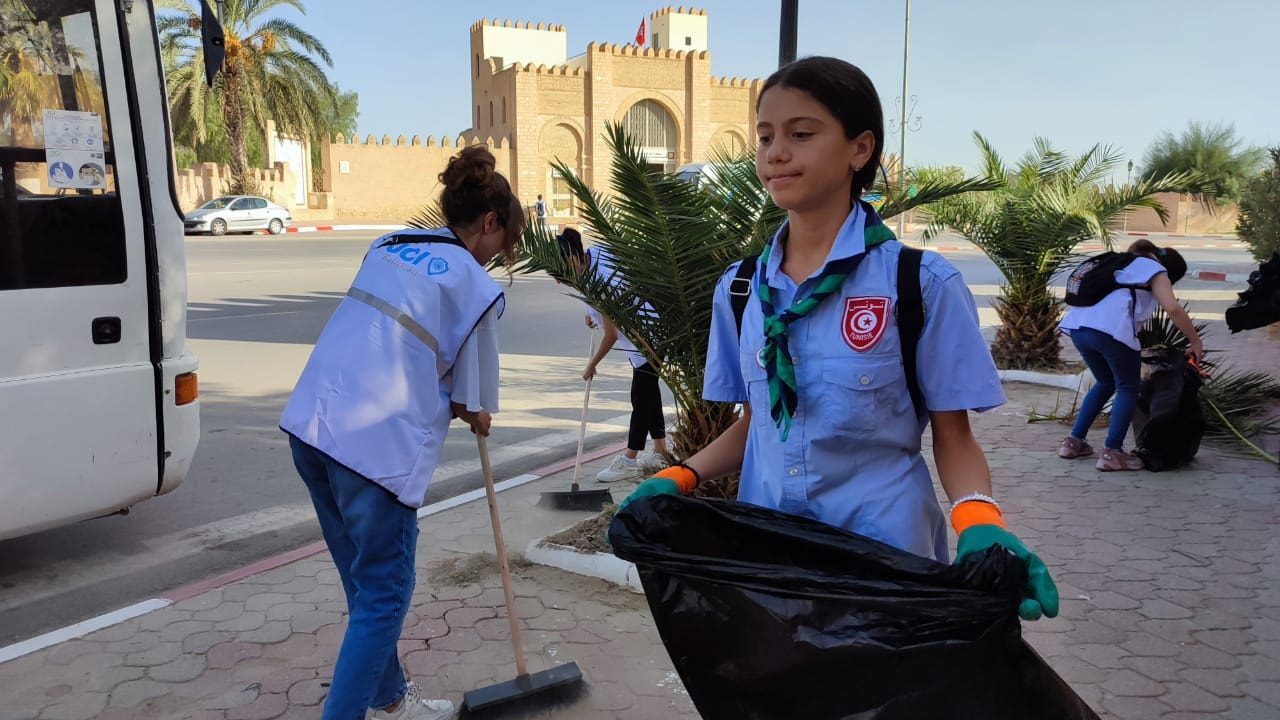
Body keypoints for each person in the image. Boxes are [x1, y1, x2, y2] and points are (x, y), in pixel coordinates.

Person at [620, 56, 1058, 621]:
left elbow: (954, 435)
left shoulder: (920, 284)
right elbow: (757, 424)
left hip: (885, 562)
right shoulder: (740, 290)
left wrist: (979, 518)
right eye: (765, 136)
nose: (775, 152)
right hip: (772, 557)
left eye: (801, 134)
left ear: (860, 149)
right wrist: (680, 474)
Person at [279, 145, 522, 720]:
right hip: (372, 451)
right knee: (384, 598)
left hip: (312, 425)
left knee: (365, 590)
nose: (499, 259)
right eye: (504, 245)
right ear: (490, 223)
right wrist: (477, 415)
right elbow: (470, 402)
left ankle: (391, 700)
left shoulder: (389, 244)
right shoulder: (475, 285)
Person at [1057, 239, 1202, 471]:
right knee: (1128, 387)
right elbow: (1172, 308)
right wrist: (1195, 341)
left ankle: (1073, 442)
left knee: (1105, 382)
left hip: (1078, 327)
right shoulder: (1156, 270)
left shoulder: (1124, 263)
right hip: (1109, 331)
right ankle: (1112, 452)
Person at [557, 228, 669, 482]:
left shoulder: (600, 283)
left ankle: (630, 459)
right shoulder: (594, 255)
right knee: (648, 394)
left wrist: (591, 364)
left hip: (649, 335)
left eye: (560, 273)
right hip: (647, 331)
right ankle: (661, 451)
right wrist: (592, 315)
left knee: (640, 396)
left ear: (573, 260)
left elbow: (611, 334)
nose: (559, 280)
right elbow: (604, 314)